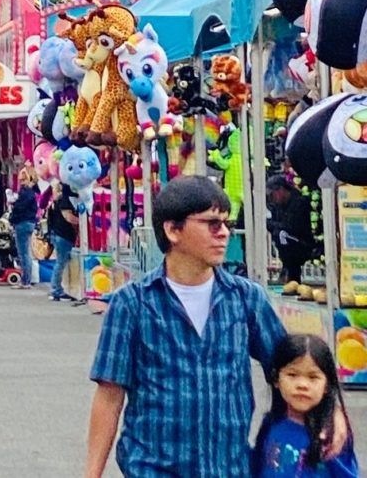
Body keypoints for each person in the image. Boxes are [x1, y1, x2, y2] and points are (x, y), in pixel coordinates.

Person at [86, 175, 320, 478]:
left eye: (225, 223)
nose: (223, 233)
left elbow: (289, 368)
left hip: (229, 469)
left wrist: (327, 421)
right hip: (152, 469)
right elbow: (109, 395)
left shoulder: (246, 298)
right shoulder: (131, 304)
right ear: (172, 230)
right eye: (211, 224)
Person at [251, 333, 358, 477]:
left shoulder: (331, 437)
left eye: (313, 377)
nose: (302, 385)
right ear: (276, 379)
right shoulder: (270, 424)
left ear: (327, 385)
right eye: (292, 375)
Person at [266, 174, 318, 285]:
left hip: (303, 243)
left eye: (272, 194)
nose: (272, 198)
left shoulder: (299, 202)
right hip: (290, 241)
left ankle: (291, 273)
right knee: (279, 233)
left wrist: (273, 225)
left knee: (282, 234)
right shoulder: (278, 206)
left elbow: (291, 226)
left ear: (281, 190)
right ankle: (288, 271)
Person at [45, 180, 79, 302]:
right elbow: (68, 217)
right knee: (60, 262)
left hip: (57, 234)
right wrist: (83, 222)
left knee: (60, 262)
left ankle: (56, 288)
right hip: (63, 235)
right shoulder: (65, 200)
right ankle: (56, 289)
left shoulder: (55, 202)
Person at [10, 167, 39, 289]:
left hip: (23, 222)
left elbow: (20, 207)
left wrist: (14, 205)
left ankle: (25, 280)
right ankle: (26, 278)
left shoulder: (26, 192)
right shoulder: (32, 192)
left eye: (23, 177)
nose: (21, 179)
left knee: (23, 253)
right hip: (29, 222)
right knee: (26, 252)